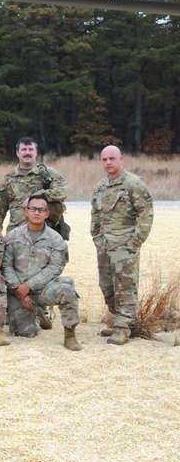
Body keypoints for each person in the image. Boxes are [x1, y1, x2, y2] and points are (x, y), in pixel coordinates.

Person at [0, 195, 82, 350]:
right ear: (26, 212)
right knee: (25, 333)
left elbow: (55, 268)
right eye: (33, 209)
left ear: (47, 214)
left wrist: (29, 286)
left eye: (41, 210)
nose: (37, 212)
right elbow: (5, 265)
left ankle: (70, 336)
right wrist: (19, 289)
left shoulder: (56, 239)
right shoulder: (13, 236)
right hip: (17, 290)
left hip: (44, 288)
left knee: (67, 290)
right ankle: (38, 315)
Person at [90, 145, 155, 345]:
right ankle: (123, 321)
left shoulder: (134, 183)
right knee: (107, 286)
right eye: (104, 159)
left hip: (125, 245)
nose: (108, 162)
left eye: (112, 158)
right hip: (105, 245)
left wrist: (135, 242)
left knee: (125, 287)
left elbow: (146, 213)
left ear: (121, 159)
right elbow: (96, 215)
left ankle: (122, 328)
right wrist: (97, 237)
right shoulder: (101, 186)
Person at [0, 136, 69, 235]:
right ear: (17, 152)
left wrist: (37, 197)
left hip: (45, 235)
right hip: (16, 235)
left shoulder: (48, 173)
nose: (27, 153)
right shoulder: (8, 179)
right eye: (24, 149)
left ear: (36, 152)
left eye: (31, 149)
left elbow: (62, 191)